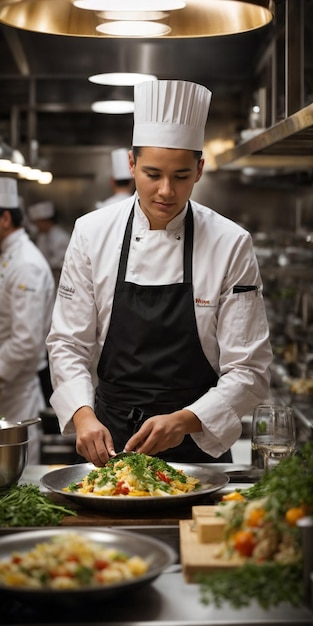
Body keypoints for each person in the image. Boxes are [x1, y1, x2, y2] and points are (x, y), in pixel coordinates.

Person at [47, 79, 273, 467]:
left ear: (200, 169)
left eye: (181, 176)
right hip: (106, 440)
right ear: (131, 165)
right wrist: (82, 415)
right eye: (153, 174)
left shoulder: (230, 242)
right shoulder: (91, 232)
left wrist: (186, 420)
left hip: (197, 441)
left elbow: (249, 368)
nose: (166, 191)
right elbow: (69, 343)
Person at [0, 178, 55, 463]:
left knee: (16, 480)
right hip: (6, 387)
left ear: (5, 218)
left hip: (15, 391)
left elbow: (26, 341)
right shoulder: (8, 256)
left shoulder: (26, 264)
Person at [27, 200, 71, 285]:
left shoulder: (61, 238)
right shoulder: (42, 236)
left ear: (45, 221)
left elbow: (59, 264)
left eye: (37, 223)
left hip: (59, 279)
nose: (36, 226)